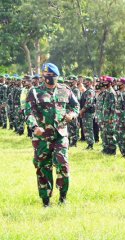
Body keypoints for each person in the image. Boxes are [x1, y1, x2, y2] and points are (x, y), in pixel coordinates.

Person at [24, 63, 79, 207]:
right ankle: (46, 200)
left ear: (57, 77)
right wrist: (34, 127)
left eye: (51, 76)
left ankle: (63, 197)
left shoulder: (65, 90)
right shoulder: (35, 91)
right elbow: (28, 112)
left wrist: (72, 115)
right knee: (43, 167)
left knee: (63, 165)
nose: (48, 79)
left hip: (60, 135)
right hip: (42, 137)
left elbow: (75, 106)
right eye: (46, 76)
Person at [100, 76, 117, 155]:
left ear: (110, 83)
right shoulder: (106, 92)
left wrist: (111, 118)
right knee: (105, 133)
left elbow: (114, 107)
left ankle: (112, 150)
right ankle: (106, 148)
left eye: (106, 82)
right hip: (105, 116)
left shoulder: (112, 93)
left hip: (109, 117)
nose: (104, 83)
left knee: (110, 134)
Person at [79, 76, 96, 150]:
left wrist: (82, 110)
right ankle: (89, 143)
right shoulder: (87, 91)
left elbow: (89, 103)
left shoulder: (90, 91)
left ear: (90, 83)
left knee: (88, 129)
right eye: (85, 81)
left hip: (88, 112)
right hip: (85, 112)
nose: (85, 83)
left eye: (87, 82)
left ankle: (91, 144)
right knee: (86, 129)